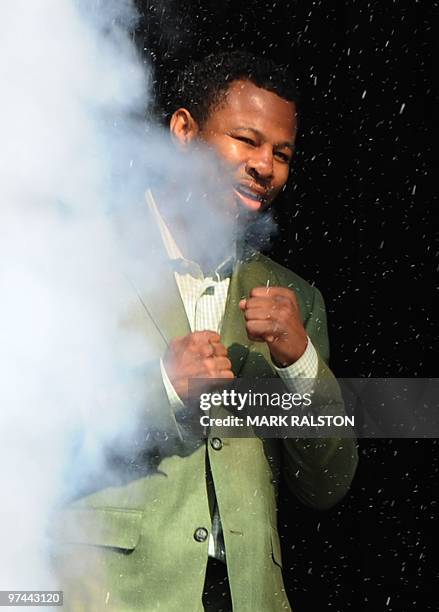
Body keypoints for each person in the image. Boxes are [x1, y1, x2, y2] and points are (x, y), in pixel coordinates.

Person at [53, 50, 358, 611]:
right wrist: (162, 388)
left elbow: (326, 484)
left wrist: (301, 365)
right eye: (246, 140)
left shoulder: (296, 301)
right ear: (184, 131)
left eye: (282, 153)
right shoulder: (82, 257)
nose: (265, 166)